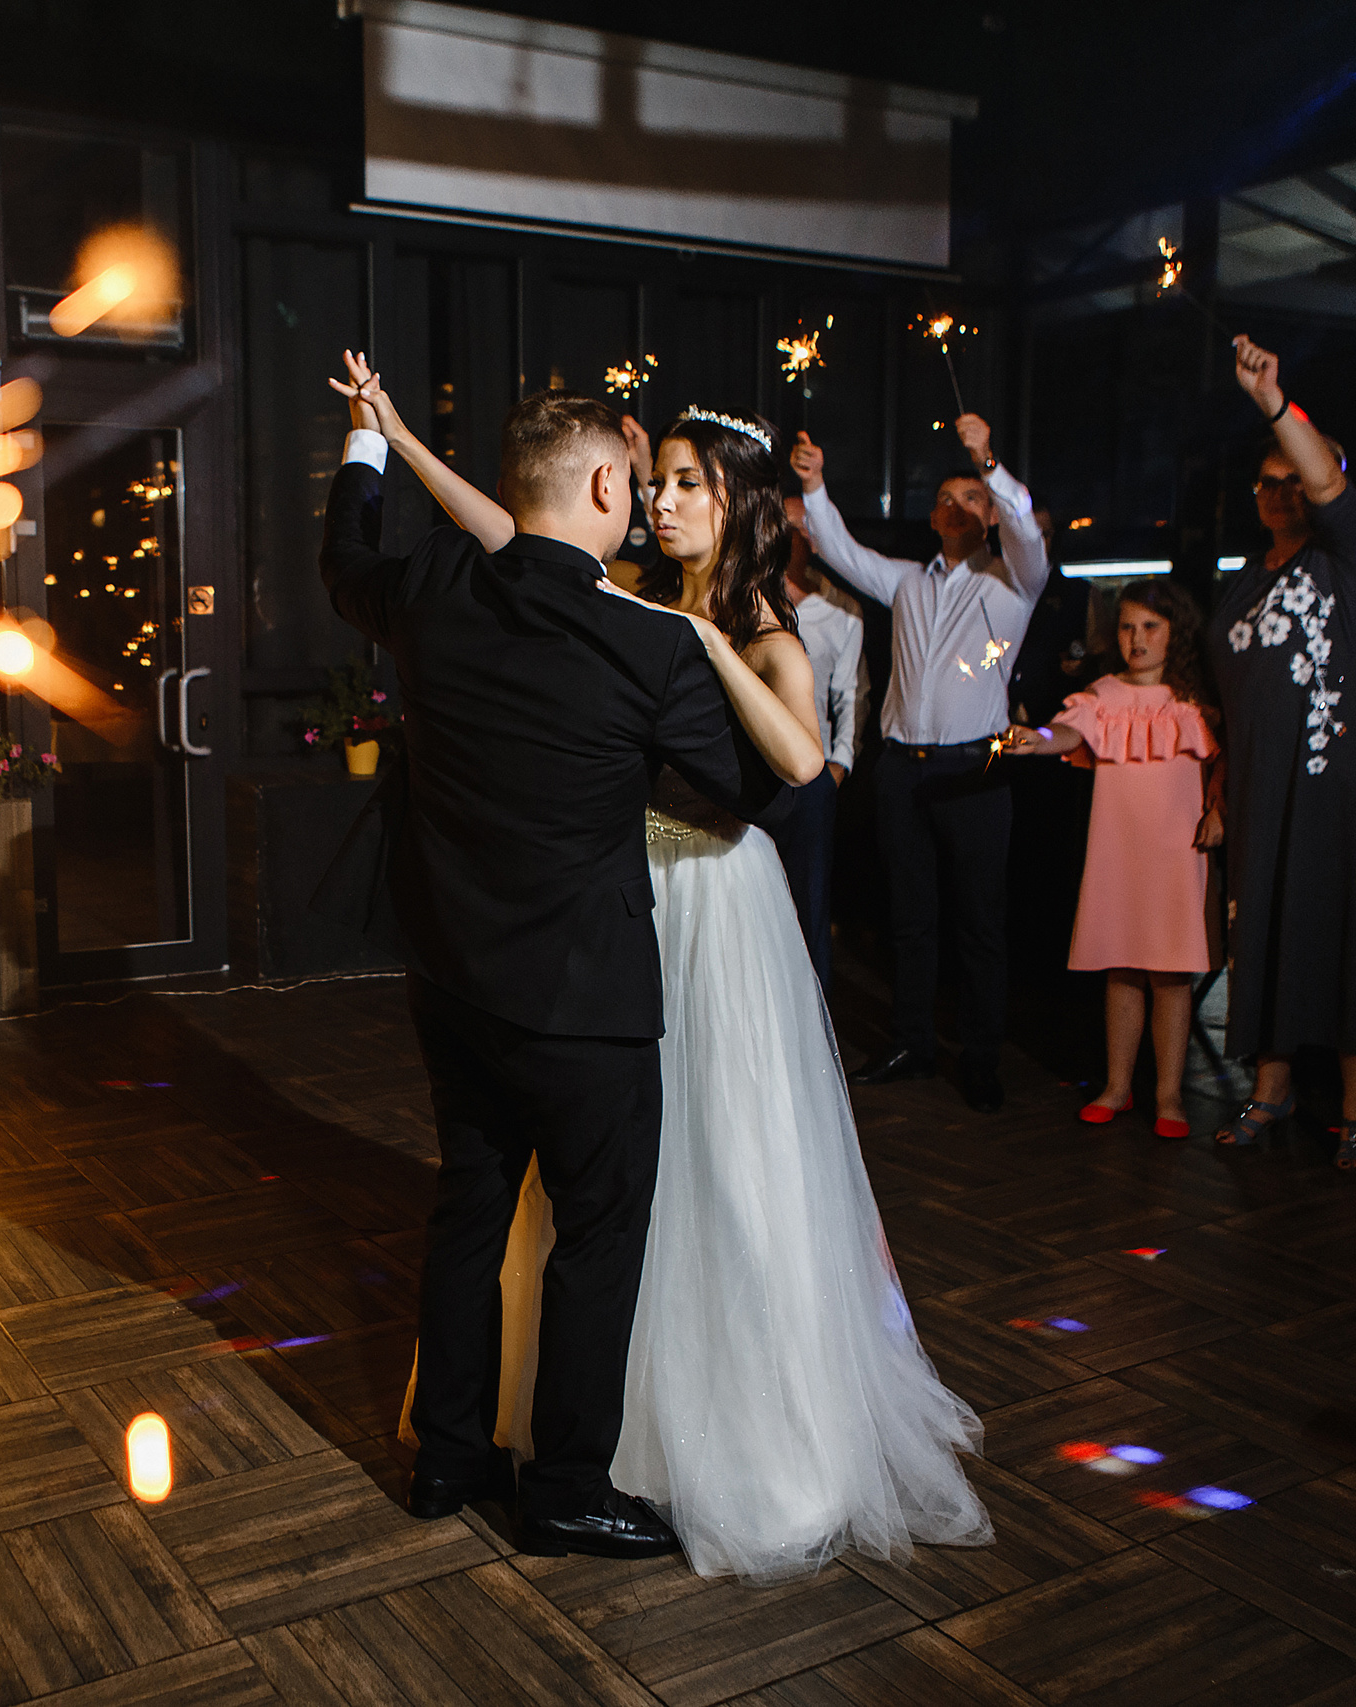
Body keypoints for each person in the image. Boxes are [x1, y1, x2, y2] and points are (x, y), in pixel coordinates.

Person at [338, 355, 990, 1583]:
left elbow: (798, 763)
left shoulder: (755, 634)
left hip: (711, 911)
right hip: (615, 912)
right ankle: (577, 1447)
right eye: (653, 481)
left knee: (712, 1174)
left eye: (686, 483)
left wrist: (702, 644)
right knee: (600, 1198)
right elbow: (513, 533)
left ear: (735, 503)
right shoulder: (621, 603)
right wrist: (404, 445)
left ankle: (712, 1425)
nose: (660, 501)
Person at [313, 360, 793, 1561]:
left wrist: (368, 447)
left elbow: (344, 562)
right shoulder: (648, 650)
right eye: (634, 483)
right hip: (586, 1002)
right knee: (596, 1237)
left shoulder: (428, 586)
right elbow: (740, 797)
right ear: (596, 484)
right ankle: (568, 1486)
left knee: (469, 1211)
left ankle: (445, 1464)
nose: (643, 501)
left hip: (452, 985)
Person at [791, 419, 1050, 1112]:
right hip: (902, 769)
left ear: (990, 513)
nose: (955, 503)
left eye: (970, 497)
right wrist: (814, 486)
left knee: (979, 921)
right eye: (945, 495)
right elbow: (841, 552)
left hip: (974, 770)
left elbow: (1026, 529)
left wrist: (988, 462)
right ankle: (912, 1041)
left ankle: (982, 1055)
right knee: (909, 915)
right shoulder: (908, 581)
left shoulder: (1015, 583)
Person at [1207, 337, 1356, 1170]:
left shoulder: (1354, 555)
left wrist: (1273, 403)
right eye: (1270, 482)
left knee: (1346, 924)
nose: (1285, 493)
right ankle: (1273, 1084)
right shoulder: (1244, 581)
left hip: (1347, 782)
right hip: (1266, 788)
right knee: (1268, 925)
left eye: (1298, 479)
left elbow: (1326, 479)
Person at [1005, 578, 1222, 1138]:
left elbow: (1222, 765)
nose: (1137, 638)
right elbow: (1065, 732)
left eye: (1150, 627)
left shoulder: (1192, 701)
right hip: (1118, 850)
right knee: (1122, 968)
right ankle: (1117, 1085)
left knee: (1169, 974)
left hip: (1176, 850)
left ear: (1176, 632)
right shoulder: (1101, 695)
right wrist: (1032, 737)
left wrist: (1219, 811)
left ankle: (1169, 1095)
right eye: (1127, 627)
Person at [775, 496, 865, 996]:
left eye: (801, 527)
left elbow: (849, 696)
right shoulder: (748, 599)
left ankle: (816, 1037)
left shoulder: (840, 613)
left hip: (812, 778)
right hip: (754, 773)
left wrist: (840, 764)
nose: (791, 535)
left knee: (810, 909)